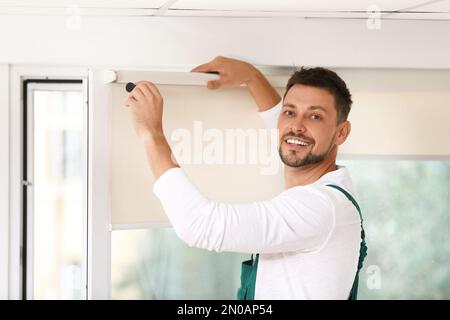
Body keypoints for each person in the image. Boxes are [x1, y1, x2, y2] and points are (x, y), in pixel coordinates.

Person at [123, 56, 367, 300]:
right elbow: (293, 134)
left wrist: (151, 134)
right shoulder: (330, 185)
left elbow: (200, 225)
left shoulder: (320, 207)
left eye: (315, 116)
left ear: (341, 132)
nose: (297, 125)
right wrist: (252, 77)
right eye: (289, 112)